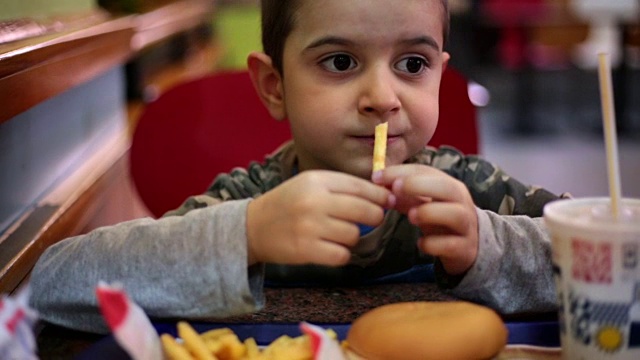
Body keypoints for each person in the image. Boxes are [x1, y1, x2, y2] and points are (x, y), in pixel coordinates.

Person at [29, 0, 568, 334]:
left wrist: (488, 245)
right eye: (339, 62)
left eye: (412, 64)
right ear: (275, 85)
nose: (383, 97)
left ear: (440, 72)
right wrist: (248, 236)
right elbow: (54, 285)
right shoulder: (252, 200)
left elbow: (620, 254)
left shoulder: (470, 191)